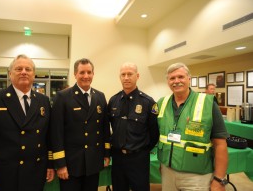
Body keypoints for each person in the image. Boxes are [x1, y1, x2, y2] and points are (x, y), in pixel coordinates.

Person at [0, 54, 54, 191]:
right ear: (10, 74)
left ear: (34, 75)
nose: (24, 72)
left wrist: (50, 164)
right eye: (18, 69)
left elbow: (47, 137)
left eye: (28, 69)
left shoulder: (43, 100)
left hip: (36, 173)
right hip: (4, 176)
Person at [157, 63, 229, 191]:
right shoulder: (162, 103)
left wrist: (219, 180)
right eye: (172, 78)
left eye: (180, 77)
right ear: (168, 81)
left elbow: (220, 144)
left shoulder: (207, 103)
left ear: (189, 79)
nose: (176, 81)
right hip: (168, 173)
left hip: (197, 176)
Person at [50, 58, 111, 191]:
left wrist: (106, 154)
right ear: (75, 74)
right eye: (82, 72)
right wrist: (60, 164)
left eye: (89, 72)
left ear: (93, 74)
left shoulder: (100, 96)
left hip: (93, 162)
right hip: (71, 164)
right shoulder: (63, 97)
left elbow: (105, 128)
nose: (86, 76)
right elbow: (56, 133)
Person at [107, 62, 159, 191]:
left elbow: (154, 133)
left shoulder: (148, 102)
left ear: (137, 76)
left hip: (138, 159)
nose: (126, 77)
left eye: (130, 74)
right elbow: (109, 128)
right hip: (118, 158)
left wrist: (142, 149)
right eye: (123, 74)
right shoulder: (113, 100)